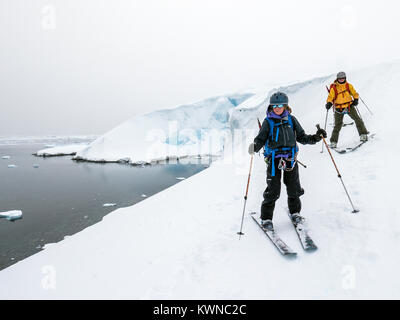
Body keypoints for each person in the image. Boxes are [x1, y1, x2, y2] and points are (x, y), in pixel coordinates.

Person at [248, 92, 327, 230]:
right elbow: (261, 138)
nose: (277, 108)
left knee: (294, 188)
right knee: (273, 190)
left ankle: (295, 213)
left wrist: (316, 137)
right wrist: (255, 146)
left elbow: (302, 137)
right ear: (271, 107)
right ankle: (266, 219)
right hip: (273, 160)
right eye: (274, 105)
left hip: (290, 158)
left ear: (285, 106)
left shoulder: (291, 120)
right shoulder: (268, 122)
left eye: (280, 105)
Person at [326, 71, 369, 148]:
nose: (341, 80)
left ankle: (363, 134)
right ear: (337, 79)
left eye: (343, 78)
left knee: (357, 119)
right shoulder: (334, 88)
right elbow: (330, 97)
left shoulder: (349, 86)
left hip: (349, 106)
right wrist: (329, 103)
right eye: (340, 78)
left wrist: (356, 99)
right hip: (338, 108)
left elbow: (354, 93)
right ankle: (333, 142)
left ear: (345, 78)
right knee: (337, 125)